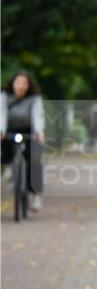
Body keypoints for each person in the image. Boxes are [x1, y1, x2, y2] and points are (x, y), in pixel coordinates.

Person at [1, 72, 45, 211]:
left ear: (28, 86)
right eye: (18, 83)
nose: (21, 86)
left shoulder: (35, 98)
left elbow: (37, 116)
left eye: (24, 83)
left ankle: (35, 195)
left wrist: (39, 132)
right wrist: (1, 130)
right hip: (9, 129)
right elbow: (1, 114)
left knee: (34, 160)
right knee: (4, 149)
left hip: (28, 130)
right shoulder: (4, 96)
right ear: (13, 84)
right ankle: (8, 165)